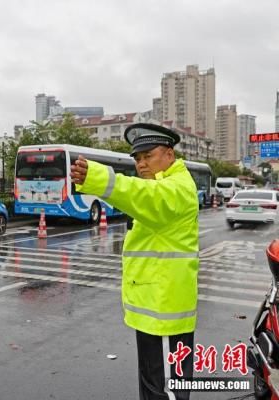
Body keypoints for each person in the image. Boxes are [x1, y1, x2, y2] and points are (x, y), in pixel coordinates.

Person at [70, 123, 199, 400]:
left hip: (166, 312)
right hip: (153, 306)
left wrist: (99, 179)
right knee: (152, 385)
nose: (141, 164)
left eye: (148, 156)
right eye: (137, 159)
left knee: (167, 390)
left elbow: (144, 196)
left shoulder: (177, 188)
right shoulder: (162, 184)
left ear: (169, 154)